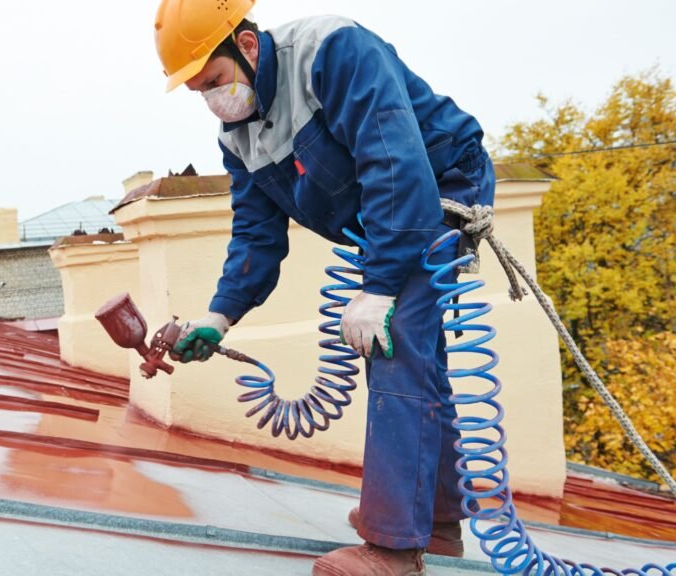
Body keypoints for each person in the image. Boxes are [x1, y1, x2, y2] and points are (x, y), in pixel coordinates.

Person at [154, 1, 496, 574]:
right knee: (416, 354)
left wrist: (381, 286)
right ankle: (435, 523)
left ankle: (393, 549)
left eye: (214, 80)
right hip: (386, 209)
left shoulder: (332, 51)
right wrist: (219, 317)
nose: (213, 99)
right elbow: (256, 236)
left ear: (248, 45)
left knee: (394, 341)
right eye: (198, 91)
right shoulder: (238, 137)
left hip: (436, 187)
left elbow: (395, 163)